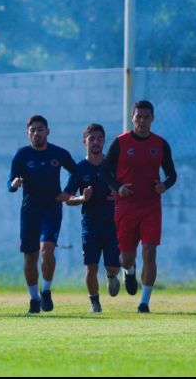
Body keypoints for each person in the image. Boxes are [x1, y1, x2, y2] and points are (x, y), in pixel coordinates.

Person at [101, 100, 177, 314]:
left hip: (151, 205)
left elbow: (172, 174)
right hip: (126, 205)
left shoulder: (160, 144)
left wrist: (164, 185)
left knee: (150, 251)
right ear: (132, 118)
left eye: (146, 117)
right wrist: (118, 187)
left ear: (153, 118)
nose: (142, 121)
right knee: (125, 257)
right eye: (138, 117)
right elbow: (104, 172)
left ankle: (144, 302)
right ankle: (129, 270)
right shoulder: (121, 142)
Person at [8, 115, 76, 314]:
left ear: (47, 131)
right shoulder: (22, 155)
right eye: (32, 130)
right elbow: (10, 181)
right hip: (30, 211)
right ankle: (34, 298)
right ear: (27, 134)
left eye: (40, 129)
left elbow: (76, 171)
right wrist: (14, 185)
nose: (36, 133)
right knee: (30, 257)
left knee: (47, 249)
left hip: (51, 209)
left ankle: (45, 291)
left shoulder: (58, 153)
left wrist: (69, 191)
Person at [65, 123, 121, 313]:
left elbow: (126, 191)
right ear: (84, 142)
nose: (96, 142)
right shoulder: (80, 169)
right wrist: (82, 198)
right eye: (92, 139)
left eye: (99, 138)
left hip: (113, 224)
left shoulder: (113, 166)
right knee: (90, 266)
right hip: (90, 225)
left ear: (104, 141)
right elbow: (67, 198)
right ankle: (95, 303)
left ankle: (112, 275)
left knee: (113, 266)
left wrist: (118, 196)